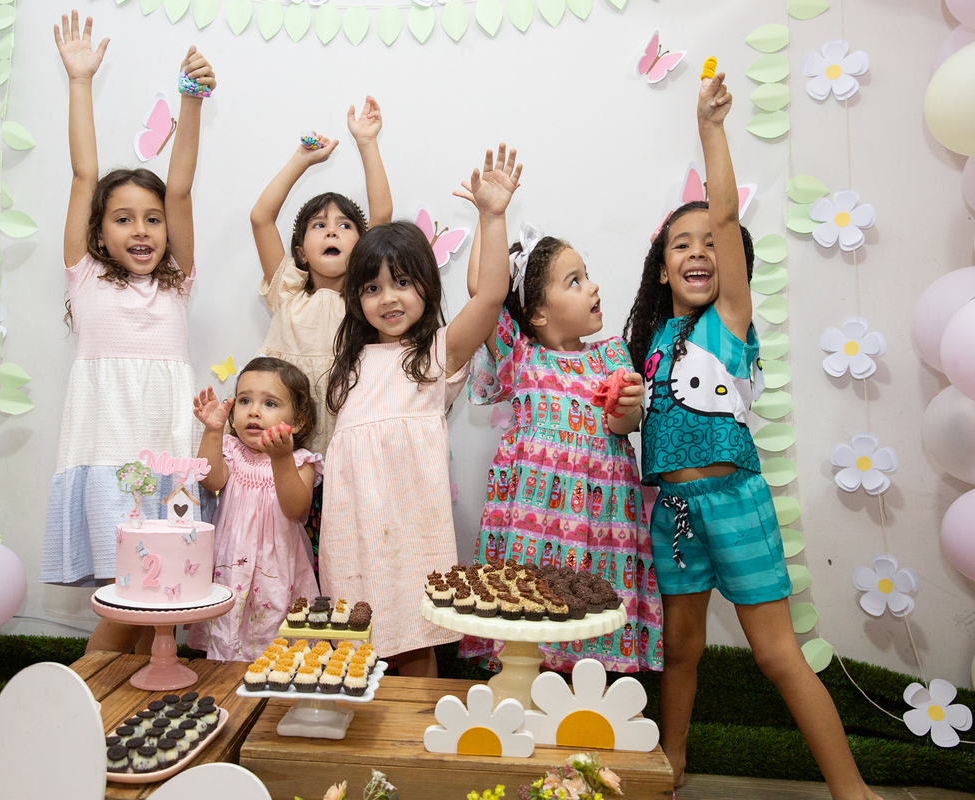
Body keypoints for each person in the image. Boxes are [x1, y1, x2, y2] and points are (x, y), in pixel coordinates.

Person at [622, 71, 881, 800]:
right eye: (682, 243)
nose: (699, 251)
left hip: (734, 503)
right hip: (673, 515)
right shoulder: (650, 338)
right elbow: (636, 415)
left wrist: (710, 129)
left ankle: (851, 789)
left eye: (711, 242)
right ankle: (672, 761)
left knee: (775, 654)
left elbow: (728, 215)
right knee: (680, 648)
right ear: (662, 263)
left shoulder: (728, 323)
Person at [41, 10, 214, 654]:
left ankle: (138, 713)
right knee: (125, 599)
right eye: (122, 219)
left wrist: (190, 100)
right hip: (106, 448)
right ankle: (85, 710)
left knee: (158, 600)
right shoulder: (83, 277)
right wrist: (80, 80)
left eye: (151, 219)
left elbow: (183, 189)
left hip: (163, 454)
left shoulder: (178, 282)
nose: (141, 230)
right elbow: (84, 174)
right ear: (98, 231)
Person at [319, 145, 521, 678]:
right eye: (372, 287)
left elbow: (491, 297)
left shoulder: (434, 356)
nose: (388, 297)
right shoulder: (348, 366)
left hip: (411, 531)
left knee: (413, 641)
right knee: (354, 642)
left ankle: (415, 750)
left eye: (403, 282)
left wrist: (492, 217)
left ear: (427, 288)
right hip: (353, 530)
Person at [457, 210, 661, 675]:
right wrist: (492, 215)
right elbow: (481, 291)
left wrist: (628, 407)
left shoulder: (613, 355)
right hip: (535, 529)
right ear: (536, 312)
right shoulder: (519, 353)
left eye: (588, 277)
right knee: (531, 639)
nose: (592, 287)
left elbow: (625, 425)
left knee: (593, 627)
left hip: (601, 527)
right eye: (574, 281)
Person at [250, 100, 392, 572]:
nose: (332, 230)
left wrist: (366, 143)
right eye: (319, 225)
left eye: (345, 226)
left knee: (340, 560)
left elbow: (384, 218)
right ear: (301, 252)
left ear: (363, 248)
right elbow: (260, 218)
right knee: (283, 558)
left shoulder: (367, 303)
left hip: (345, 456)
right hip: (283, 452)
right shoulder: (287, 292)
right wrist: (301, 159)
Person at [185, 358, 322, 662]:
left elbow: (296, 510)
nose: (254, 411)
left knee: (277, 646)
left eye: (270, 403)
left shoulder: (301, 461)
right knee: (227, 633)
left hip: (278, 569)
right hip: (232, 564)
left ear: (297, 421)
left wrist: (282, 458)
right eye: (244, 400)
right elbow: (209, 481)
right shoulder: (231, 451)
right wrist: (213, 431)